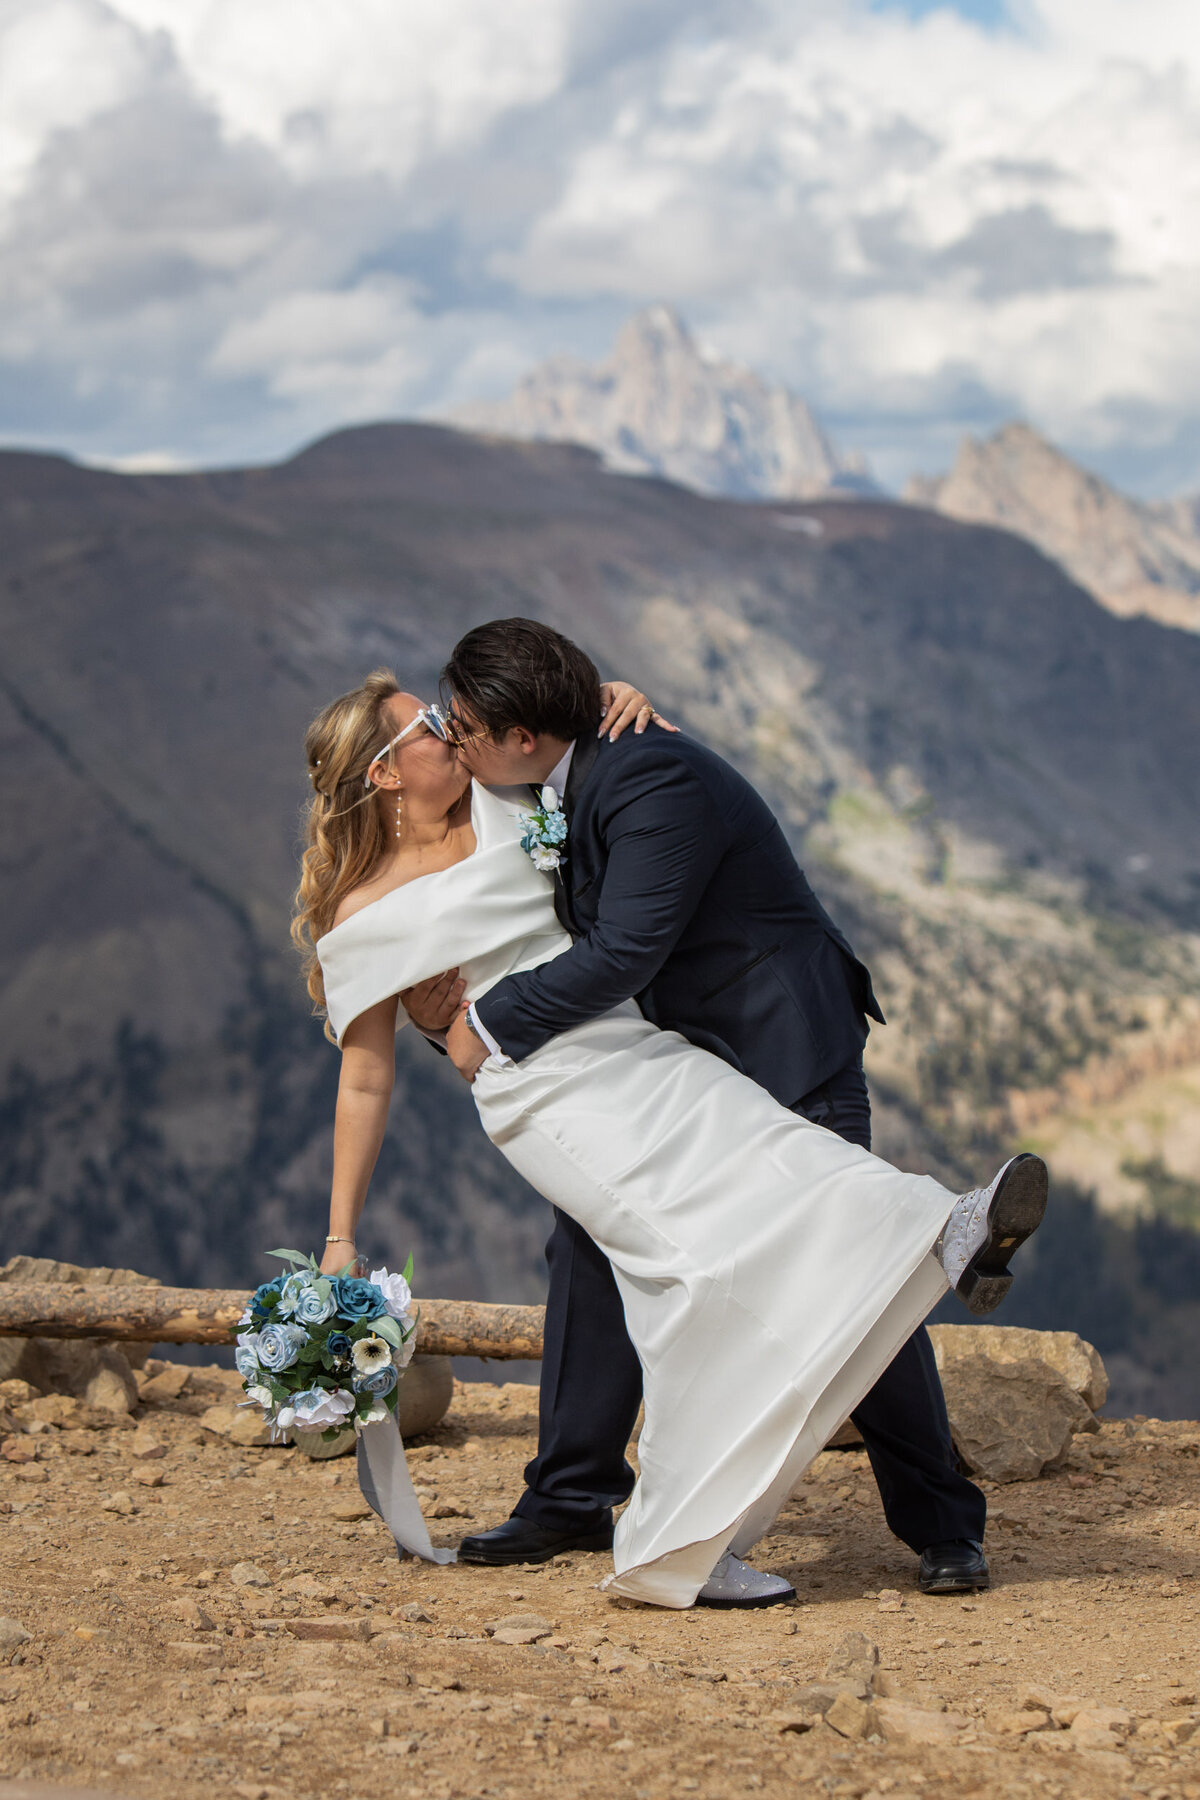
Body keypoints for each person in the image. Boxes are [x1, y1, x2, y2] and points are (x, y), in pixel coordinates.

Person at [298, 655, 1047, 1610]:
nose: (450, 731)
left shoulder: (509, 797)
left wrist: (611, 694)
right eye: (427, 729)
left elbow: (557, 747)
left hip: (702, 1037)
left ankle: (938, 1462)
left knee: (805, 1186)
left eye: (453, 721)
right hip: (559, 1083)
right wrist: (340, 1234)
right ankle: (595, 1503)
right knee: (655, 1263)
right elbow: (364, 1080)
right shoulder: (380, 899)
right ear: (386, 774)